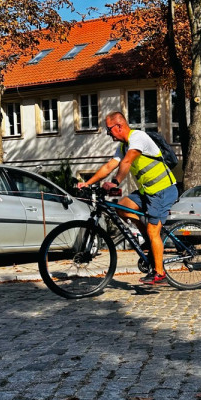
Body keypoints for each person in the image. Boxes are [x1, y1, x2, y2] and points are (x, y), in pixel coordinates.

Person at [78, 112, 178, 285]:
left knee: (153, 231)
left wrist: (115, 182)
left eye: (109, 130)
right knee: (122, 207)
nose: (108, 134)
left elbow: (127, 162)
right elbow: (110, 165)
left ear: (119, 126)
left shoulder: (137, 137)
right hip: (147, 191)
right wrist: (87, 183)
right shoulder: (123, 146)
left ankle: (159, 273)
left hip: (163, 190)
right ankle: (149, 241)